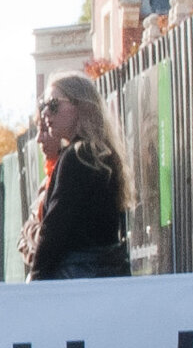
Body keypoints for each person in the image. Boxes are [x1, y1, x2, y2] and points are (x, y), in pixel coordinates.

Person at [25, 73, 130, 279]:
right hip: (109, 273)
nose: (46, 112)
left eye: (53, 104)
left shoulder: (77, 156)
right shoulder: (104, 154)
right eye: (43, 105)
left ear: (80, 106)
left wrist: (36, 276)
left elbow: (55, 228)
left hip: (76, 277)